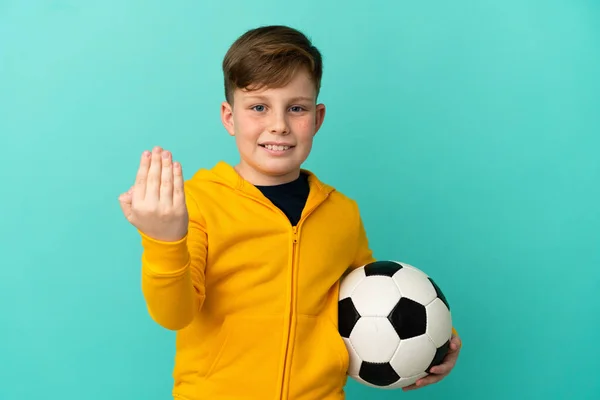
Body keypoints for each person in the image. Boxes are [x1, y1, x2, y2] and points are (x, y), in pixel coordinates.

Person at [118, 25, 461, 400]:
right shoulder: (198, 204)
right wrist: (166, 240)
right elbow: (174, 315)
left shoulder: (341, 213)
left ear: (317, 117)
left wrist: (432, 339)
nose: (278, 125)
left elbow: (370, 302)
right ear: (229, 117)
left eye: (296, 108)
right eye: (259, 107)